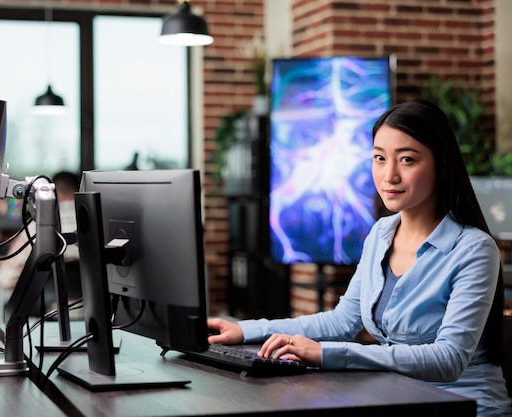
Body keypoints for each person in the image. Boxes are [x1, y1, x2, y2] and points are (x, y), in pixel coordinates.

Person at [207, 100, 512, 416]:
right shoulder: (382, 233)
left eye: (407, 160)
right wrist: (245, 331)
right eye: (379, 158)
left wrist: (326, 354)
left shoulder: (474, 249)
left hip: (468, 407)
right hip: (400, 397)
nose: (389, 175)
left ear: (442, 165)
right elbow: (342, 321)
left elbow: (448, 359)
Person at [0, 170, 81, 293]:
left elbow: (5, 279)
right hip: (101, 309)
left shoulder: (39, 224)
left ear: (51, 192)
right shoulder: (97, 221)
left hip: (50, 309)